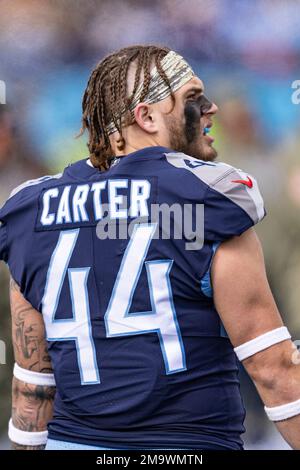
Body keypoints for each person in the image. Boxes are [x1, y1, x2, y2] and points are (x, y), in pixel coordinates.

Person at [1, 45, 300, 451]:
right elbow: (274, 371)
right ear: (146, 117)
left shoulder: (29, 210)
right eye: (194, 99)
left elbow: (34, 387)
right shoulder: (209, 195)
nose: (211, 109)